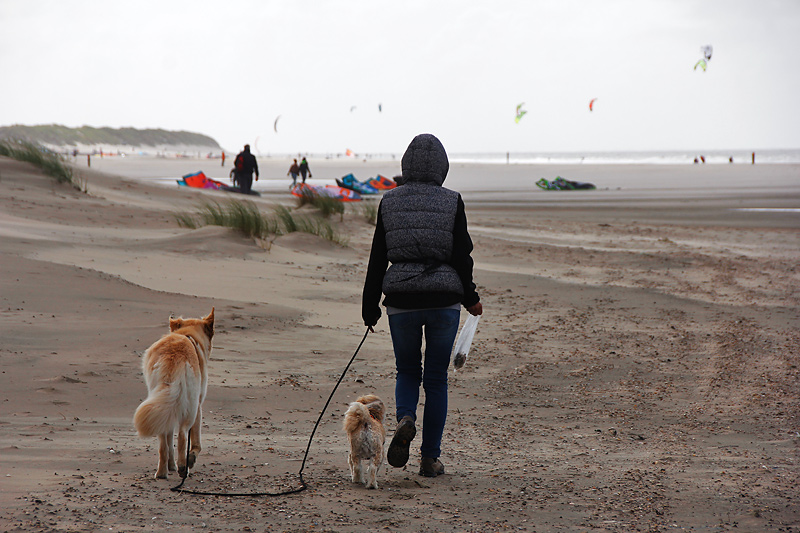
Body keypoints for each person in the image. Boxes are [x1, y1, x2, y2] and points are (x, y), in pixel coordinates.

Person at [361, 133, 482, 478]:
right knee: (436, 379)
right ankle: (430, 459)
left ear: (406, 165)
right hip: (444, 301)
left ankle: (406, 418)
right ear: (442, 167)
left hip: (402, 300)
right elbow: (462, 256)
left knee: (407, 371)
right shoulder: (452, 201)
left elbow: (377, 258)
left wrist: (369, 307)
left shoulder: (389, 201)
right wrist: (471, 298)